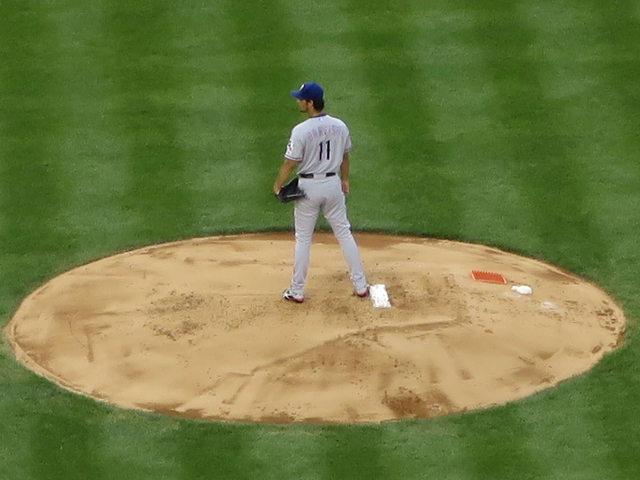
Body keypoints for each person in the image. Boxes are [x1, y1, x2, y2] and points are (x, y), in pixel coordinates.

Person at [273, 82, 369, 303]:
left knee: (303, 239)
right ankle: (361, 285)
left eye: (301, 99)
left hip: (308, 188)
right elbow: (345, 156)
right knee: (344, 233)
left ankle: (296, 291)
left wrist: (278, 185)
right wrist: (344, 179)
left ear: (310, 103)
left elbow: (290, 163)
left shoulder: (301, 130)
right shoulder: (340, 126)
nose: (298, 101)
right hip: (332, 184)